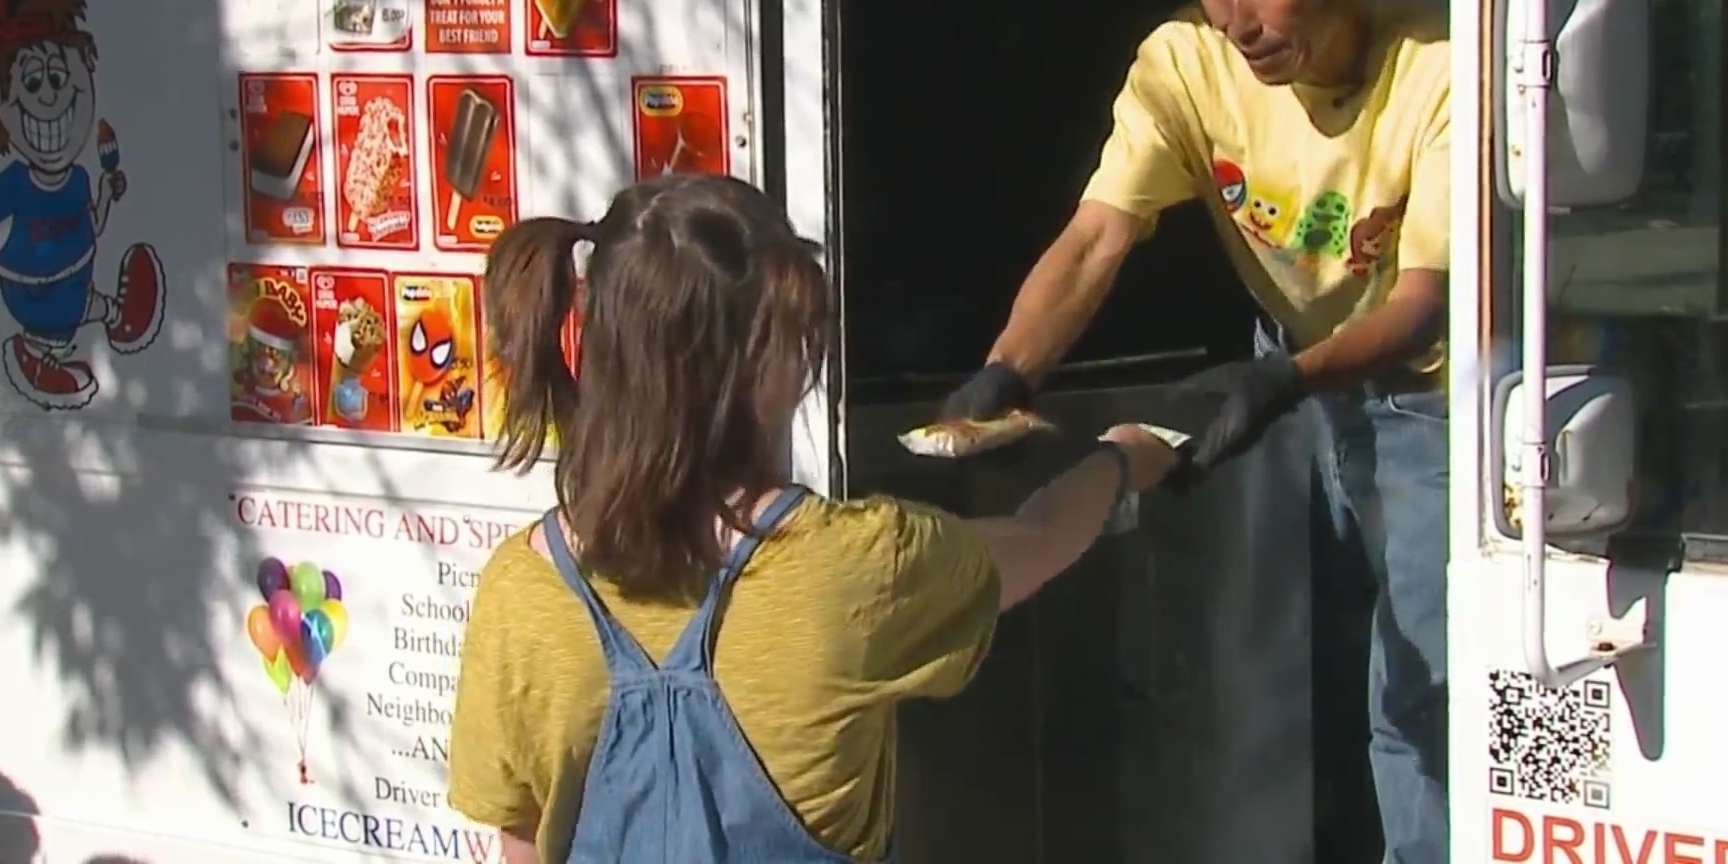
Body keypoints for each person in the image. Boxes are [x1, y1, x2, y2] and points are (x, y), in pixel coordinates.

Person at [940, 0, 1452, 864]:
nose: (1236, 17)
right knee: (1301, 668)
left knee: (1421, 697)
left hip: (1423, 399)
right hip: (1291, 372)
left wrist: (1283, 380)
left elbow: (1429, 305)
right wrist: (1005, 375)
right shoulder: (1182, 59)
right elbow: (1096, 237)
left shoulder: (1433, 60)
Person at [446, 174, 1181, 863]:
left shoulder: (520, 589)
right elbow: (1043, 536)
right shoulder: (856, 566)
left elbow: (523, 841)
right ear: (758, 363)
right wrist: (1121, 458)